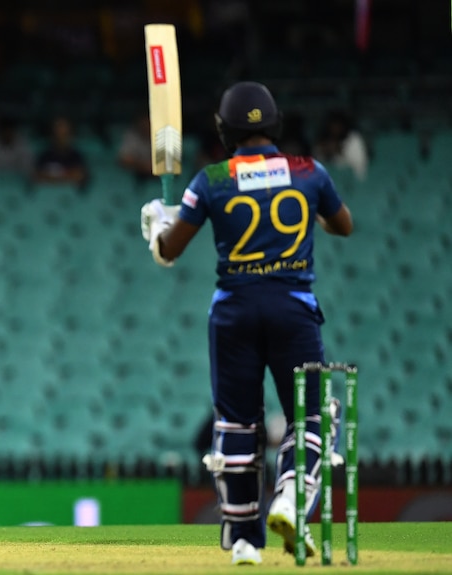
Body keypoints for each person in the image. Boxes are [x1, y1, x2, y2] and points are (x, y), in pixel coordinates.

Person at [140, 81, 353, 565]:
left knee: (237, 423)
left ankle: (242, 538)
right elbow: (343, 225)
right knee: (312, 417)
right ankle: (291, 501)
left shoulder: (211, 179)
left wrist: (159, 224)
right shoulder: (309, 171)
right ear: (275, 124)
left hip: (233, 311)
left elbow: (168, 252)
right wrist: (312, 208)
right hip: (293, 309)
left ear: (224, 130)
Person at [34, 116, 89, 189]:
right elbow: (37, 176)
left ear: (70, 135)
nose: (61, 137)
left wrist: (52, 175)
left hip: (71, 195)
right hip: (46, 194)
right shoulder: (44, 155)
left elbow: (79, 175)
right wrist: (67, 175)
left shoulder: (76, 155)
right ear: (53, 134)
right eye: (58, 133)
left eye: (64, 134)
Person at [312, 110, 368, 181]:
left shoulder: (354, 139)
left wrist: (341, 152)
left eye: (338, 125)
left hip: (353, 181)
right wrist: (326, 152)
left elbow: (360, 166)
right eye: (333, 125)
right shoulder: (322, 141)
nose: (335, 128)